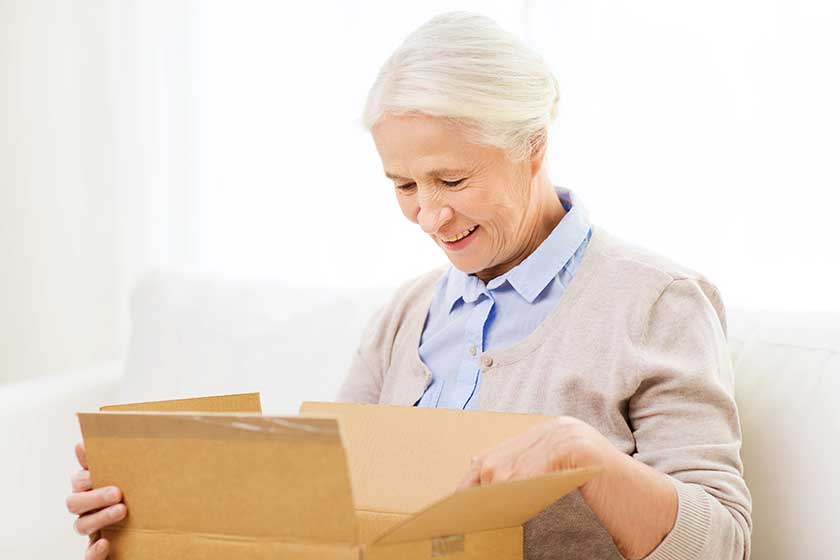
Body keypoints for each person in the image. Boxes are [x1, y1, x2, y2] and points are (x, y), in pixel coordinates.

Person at [66, 11, 751, 560]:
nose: (429, 214)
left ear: (533, 147)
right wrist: (152, 523)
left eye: (453, 180)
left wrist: (584, 453)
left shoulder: (658, 303)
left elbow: (721, 543)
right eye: (403, 185)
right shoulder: (407, 314)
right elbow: (320, 519)